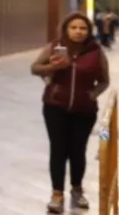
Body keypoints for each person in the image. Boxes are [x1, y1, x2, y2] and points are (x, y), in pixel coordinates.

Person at [30, 13, 110, 213]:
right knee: (58, 149)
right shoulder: (55, 46)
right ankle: (56, 194)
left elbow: (104, 80)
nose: (78, 31)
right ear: (66, 29)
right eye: (73, 27)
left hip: (84, 110)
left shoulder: (96, 52)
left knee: (78, 150)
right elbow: (35, 68)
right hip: (55, 106)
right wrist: (53, 67)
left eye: (82, 28)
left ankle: (77, 190)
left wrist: (92, 94)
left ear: (88, 31)